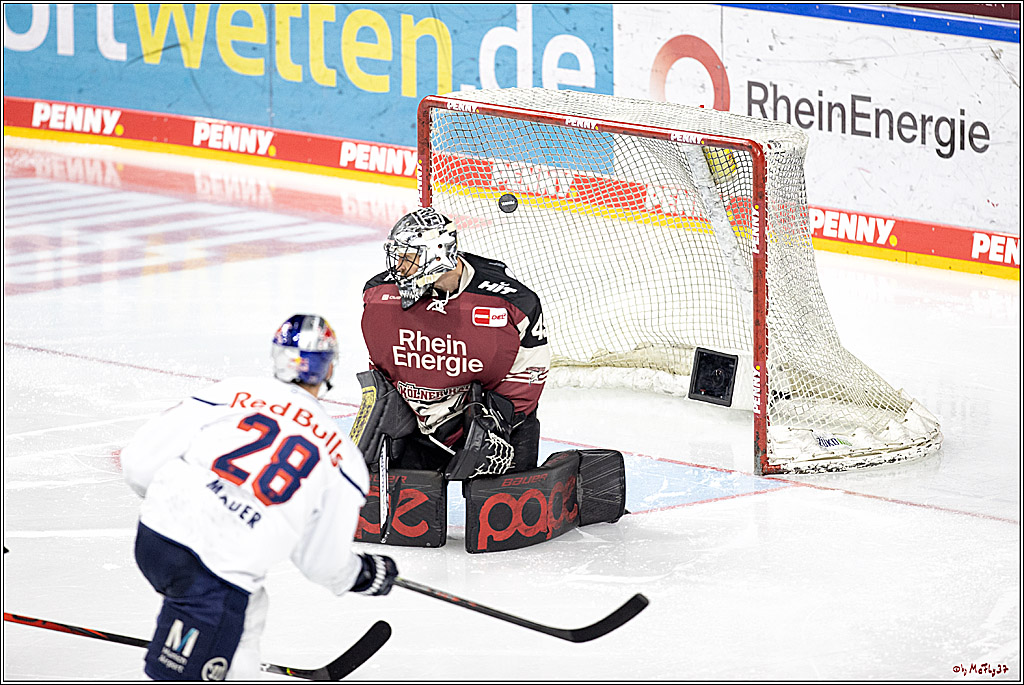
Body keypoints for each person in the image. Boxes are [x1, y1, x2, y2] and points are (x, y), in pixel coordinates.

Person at [121, 314, 398, 681]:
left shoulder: (230, 392)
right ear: (329, 367)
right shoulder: (344, 459)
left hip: (155, 541)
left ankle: (220, 656)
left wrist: (182, 508)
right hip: (215, 575)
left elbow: (138, 463)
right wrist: (360, 575)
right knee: (195, 653)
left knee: (250, 611)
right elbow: (320, 562)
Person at [356, 207, 550, 481]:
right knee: (399, 515)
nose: (398, 267)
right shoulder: (378, 296)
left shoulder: (513, 303)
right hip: (415, 425)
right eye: (397, 257)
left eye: (408, 258)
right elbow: (382, 368)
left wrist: (493, 426)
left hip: (490, 426)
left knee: (504, 517)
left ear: (438, 254)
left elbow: (529, 375)